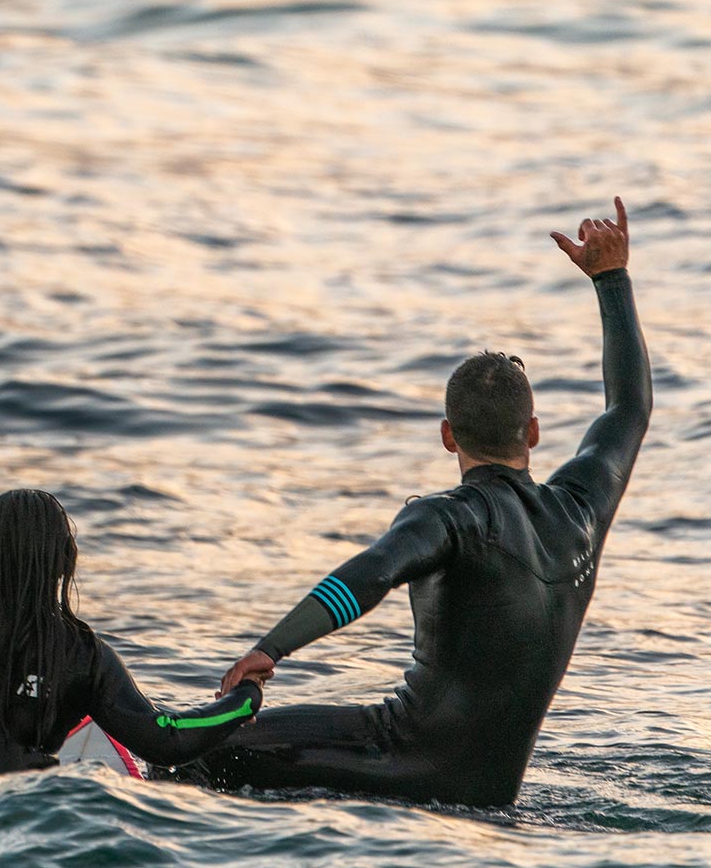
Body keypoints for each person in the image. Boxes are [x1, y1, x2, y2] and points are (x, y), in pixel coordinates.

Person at [192, 198, 651, 807]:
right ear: (533, 432)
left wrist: (271, 647)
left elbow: (371, 573)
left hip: (400, 759)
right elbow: (629, 409)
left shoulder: (446, 517)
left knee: (205, 754)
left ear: (447, 436)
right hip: (492, 795)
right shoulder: (581, 513)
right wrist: (612, 279)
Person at [0, 328, 262, 788]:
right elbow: (169, 738)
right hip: (45, 818)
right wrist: (245, 697)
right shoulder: (83, 656)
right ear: (66, 564)